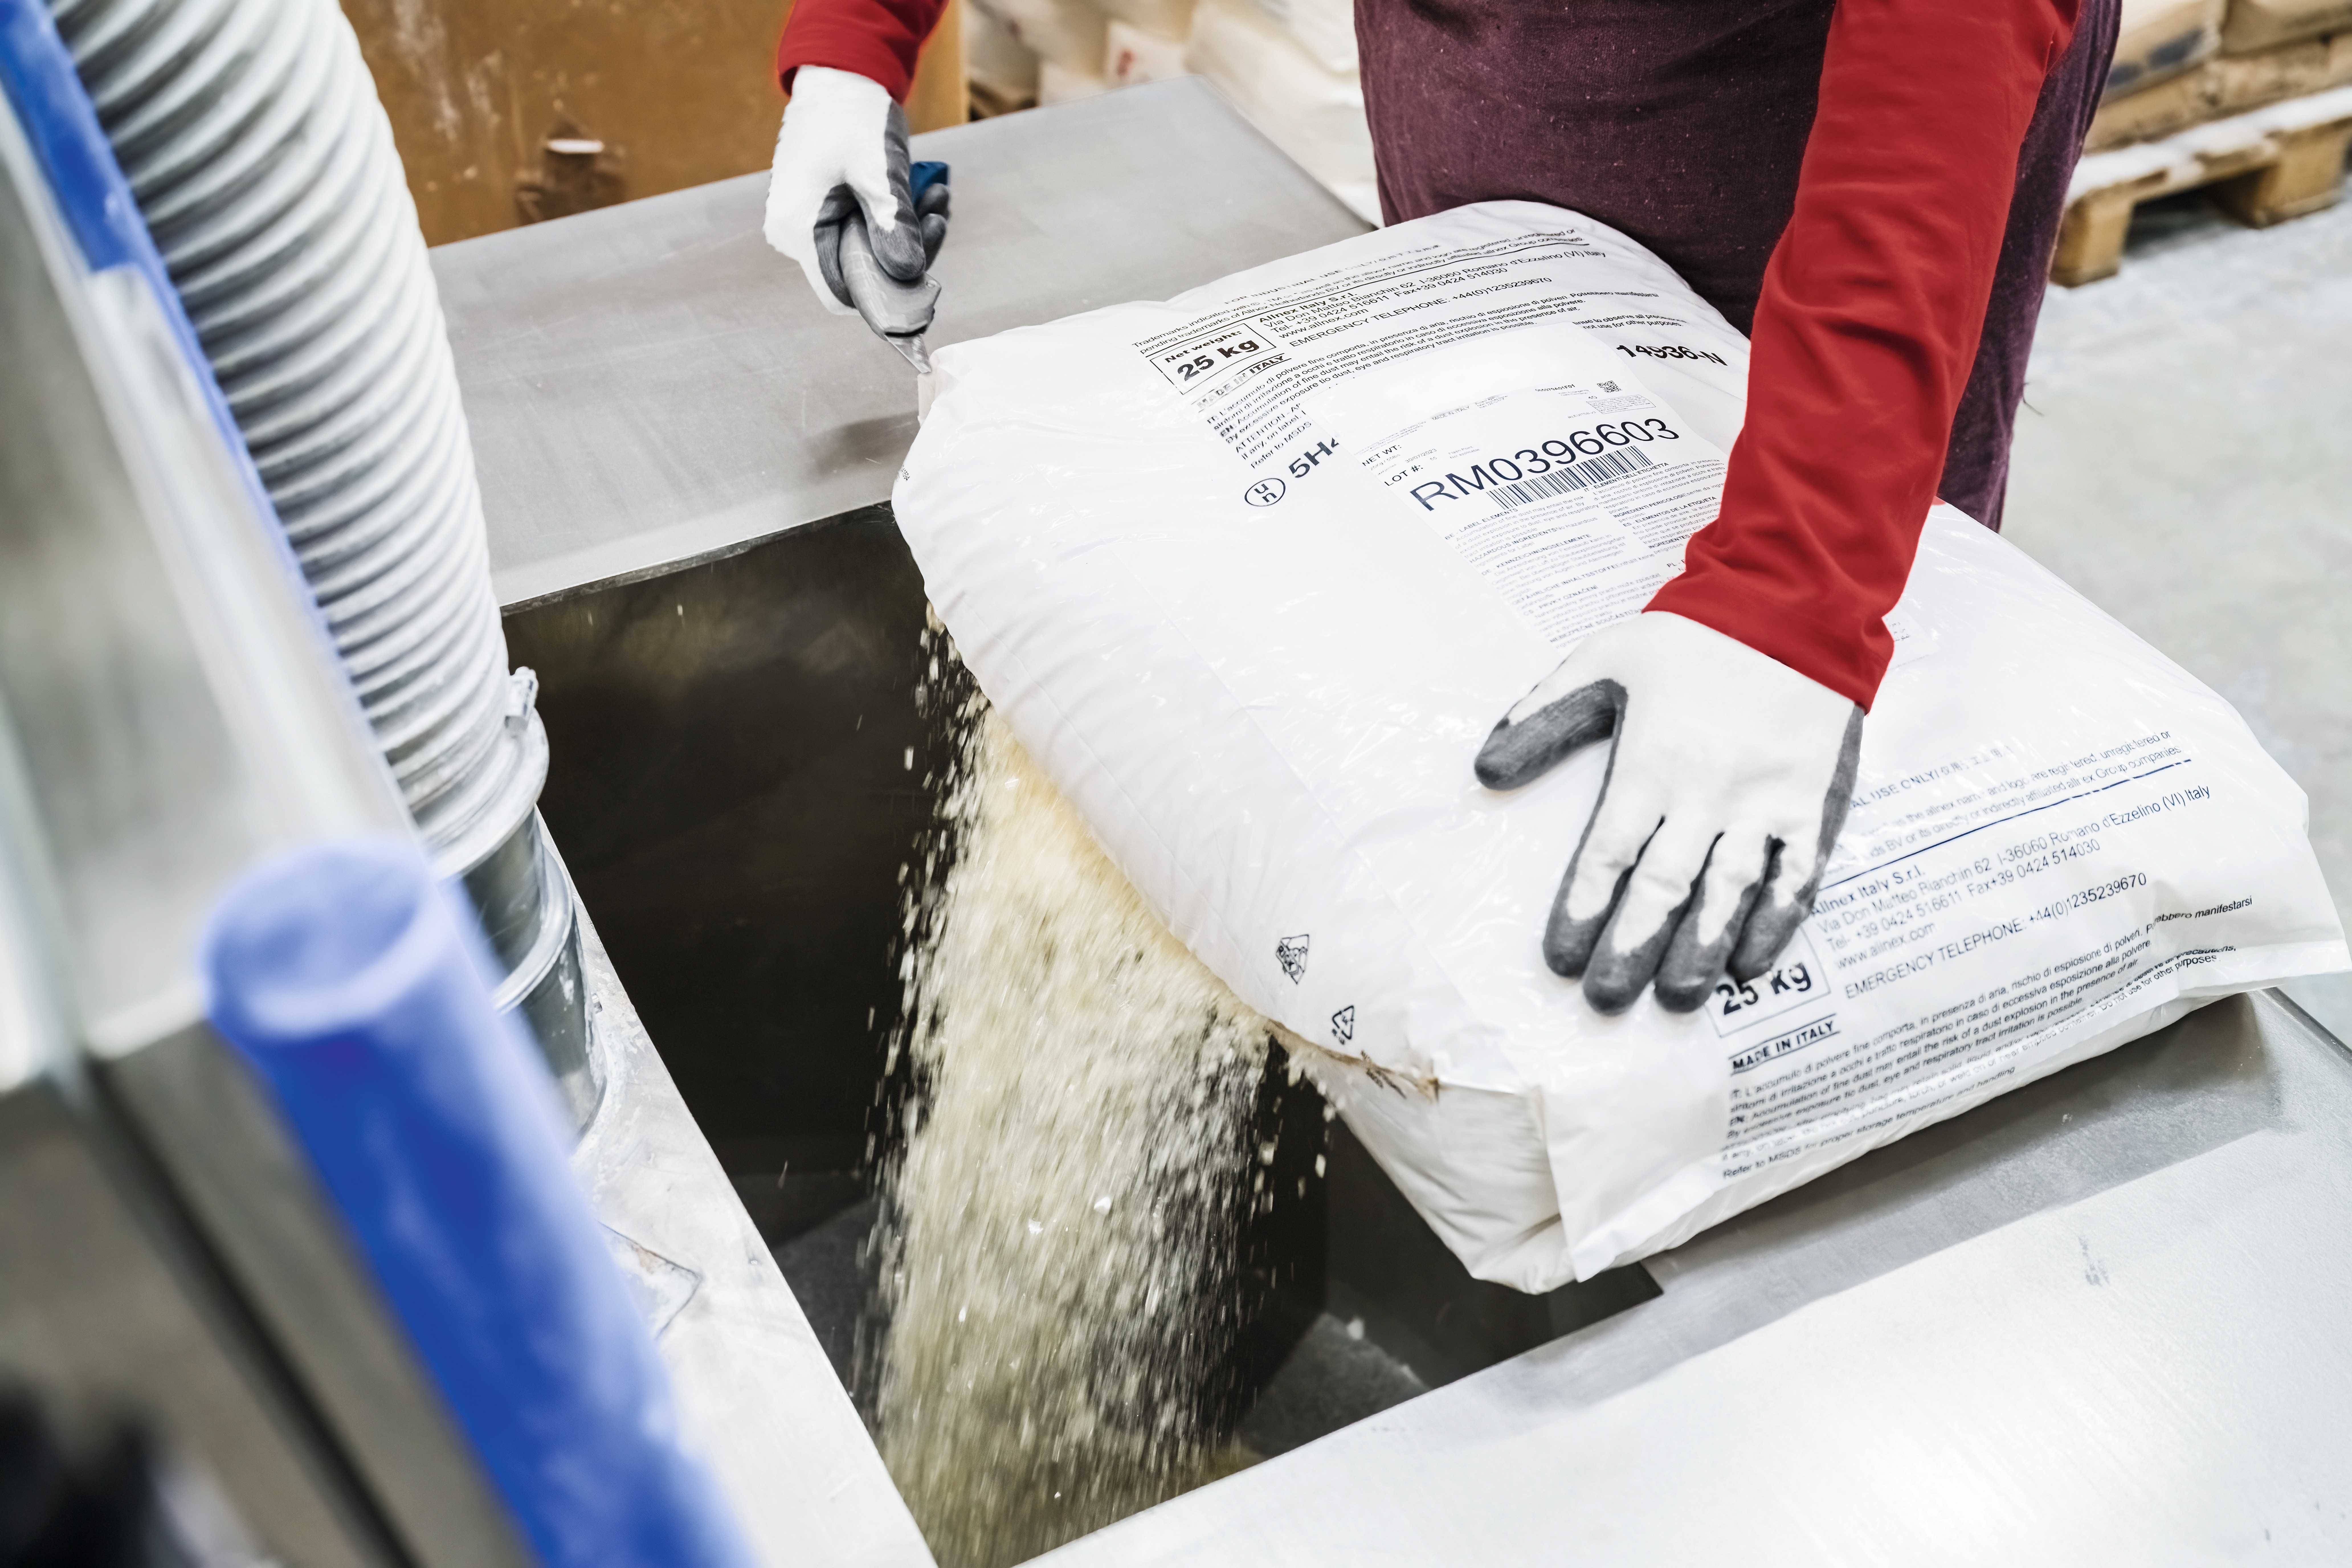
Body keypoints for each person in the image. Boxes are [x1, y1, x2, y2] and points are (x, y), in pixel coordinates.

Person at [762, 0, 2122, 1014]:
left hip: (1799, 111)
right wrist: (854, 36)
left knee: (1754, 775)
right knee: (1492, 638)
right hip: (1493, 59)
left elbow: (1935, 70)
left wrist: (1789, 600)